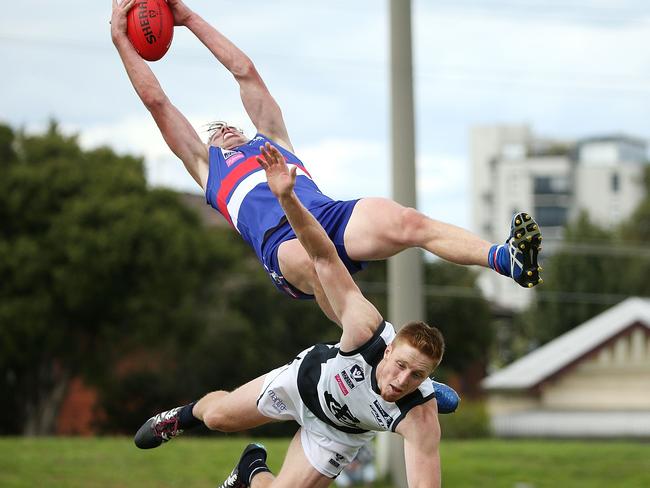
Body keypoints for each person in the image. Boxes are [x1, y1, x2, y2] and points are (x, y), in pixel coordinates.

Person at [111, 0, 543, 324]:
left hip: (329, 216)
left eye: (228, 126)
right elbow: (157, 102)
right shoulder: (208, 169)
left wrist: (187, 19)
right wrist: (120, 41)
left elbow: (244, 70)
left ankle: (507, 259)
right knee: (318, 264)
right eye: (214, 131)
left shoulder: (271, 138)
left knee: (408, 221)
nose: (223, 131)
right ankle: (377, 351)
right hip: (283, 243)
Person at [134, 143, 463, 488]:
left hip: (338, 434)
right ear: (390, 348)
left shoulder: (419, 417)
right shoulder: (366, 330)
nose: (401, 380)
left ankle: (250, 469)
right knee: (218, 417)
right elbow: (322, 257)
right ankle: (180, 417)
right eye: (401, 366)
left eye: (416, 376)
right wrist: (287, 199)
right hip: (305, 384)